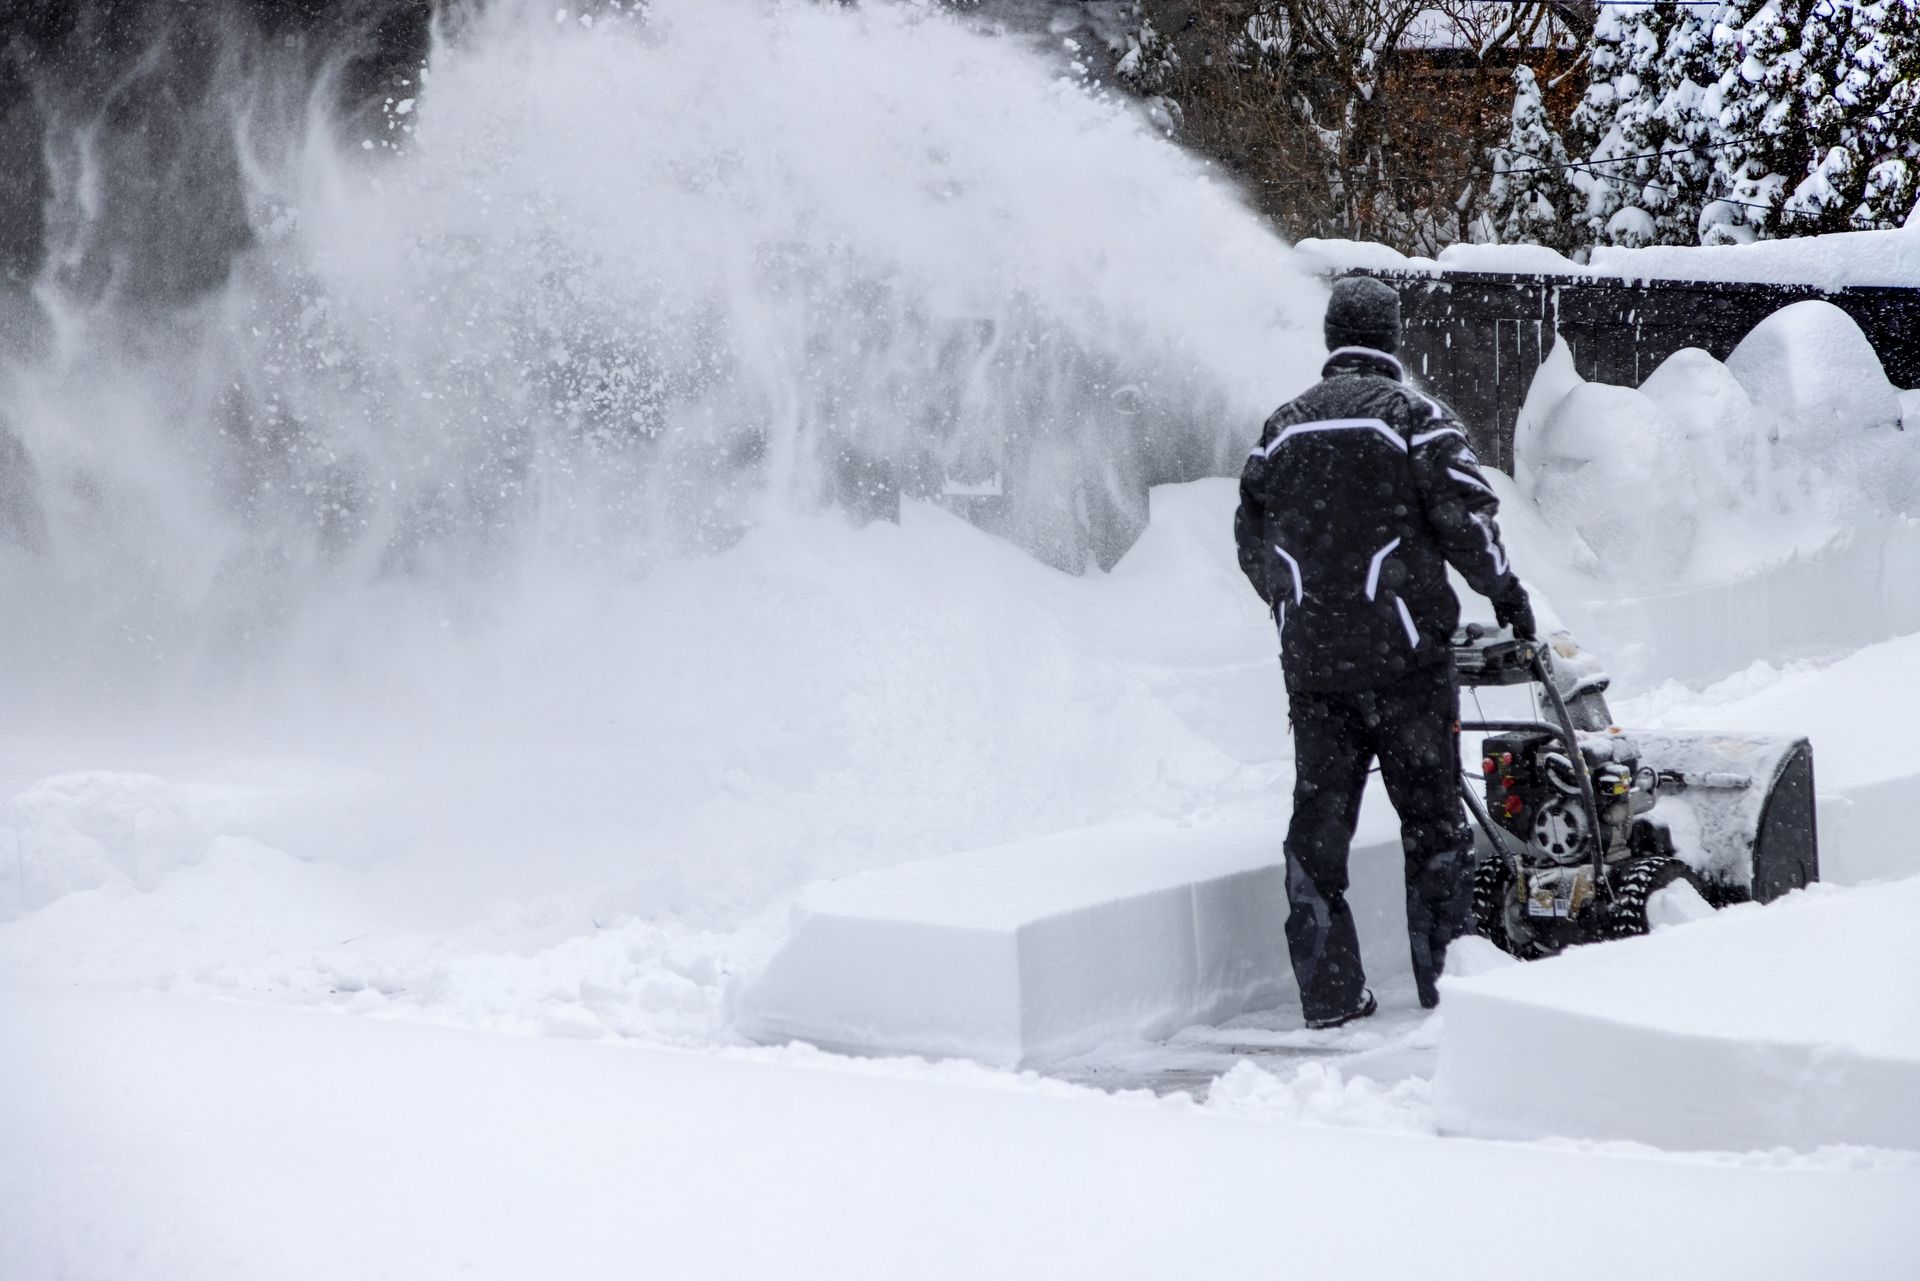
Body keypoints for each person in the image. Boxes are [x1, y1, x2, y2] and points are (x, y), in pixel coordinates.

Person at [1233, 275, 1534, 1029]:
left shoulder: (1282, 426)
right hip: (1407, 666)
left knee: (1318, 831)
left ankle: (1330, 996)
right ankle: (1447, 987)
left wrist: (1294, 604)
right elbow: (1466, 518)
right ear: (1391, 338)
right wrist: (1506, 594)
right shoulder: (1414, 418)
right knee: (1432, 825)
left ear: (1332, 338)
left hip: (1315, 672)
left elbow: (1249, 536)